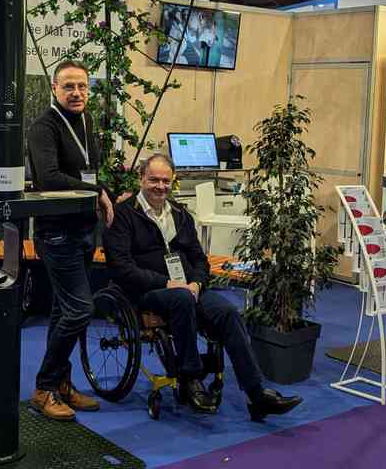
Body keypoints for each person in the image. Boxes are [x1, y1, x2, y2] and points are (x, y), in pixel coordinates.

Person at [105, 154, 303, 421]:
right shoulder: (124, 215)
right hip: (148, 291)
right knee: (181, 300)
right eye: (153, 180)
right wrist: (167, 283)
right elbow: (121, 267)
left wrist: (198, 283)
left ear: (172, 182)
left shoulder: (180, 214)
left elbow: (199, 258)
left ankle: (256, 394)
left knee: (229, 313)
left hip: (188, 289)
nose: (160, 186)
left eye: (165, 180)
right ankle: (190, 379)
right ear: (141, 178)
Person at [26, 60, 116, 421]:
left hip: (83, 229)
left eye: (82, 86)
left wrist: (103, 191)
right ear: (54, 88)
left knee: (63, 310)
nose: (76, 93)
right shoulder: (42, 127)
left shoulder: (86, 121)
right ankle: (44, 387)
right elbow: (48, 178)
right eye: (68, 87)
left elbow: (85, 171)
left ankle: (61, 384)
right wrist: (97, 189)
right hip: (56, 232)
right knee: (80, 309)